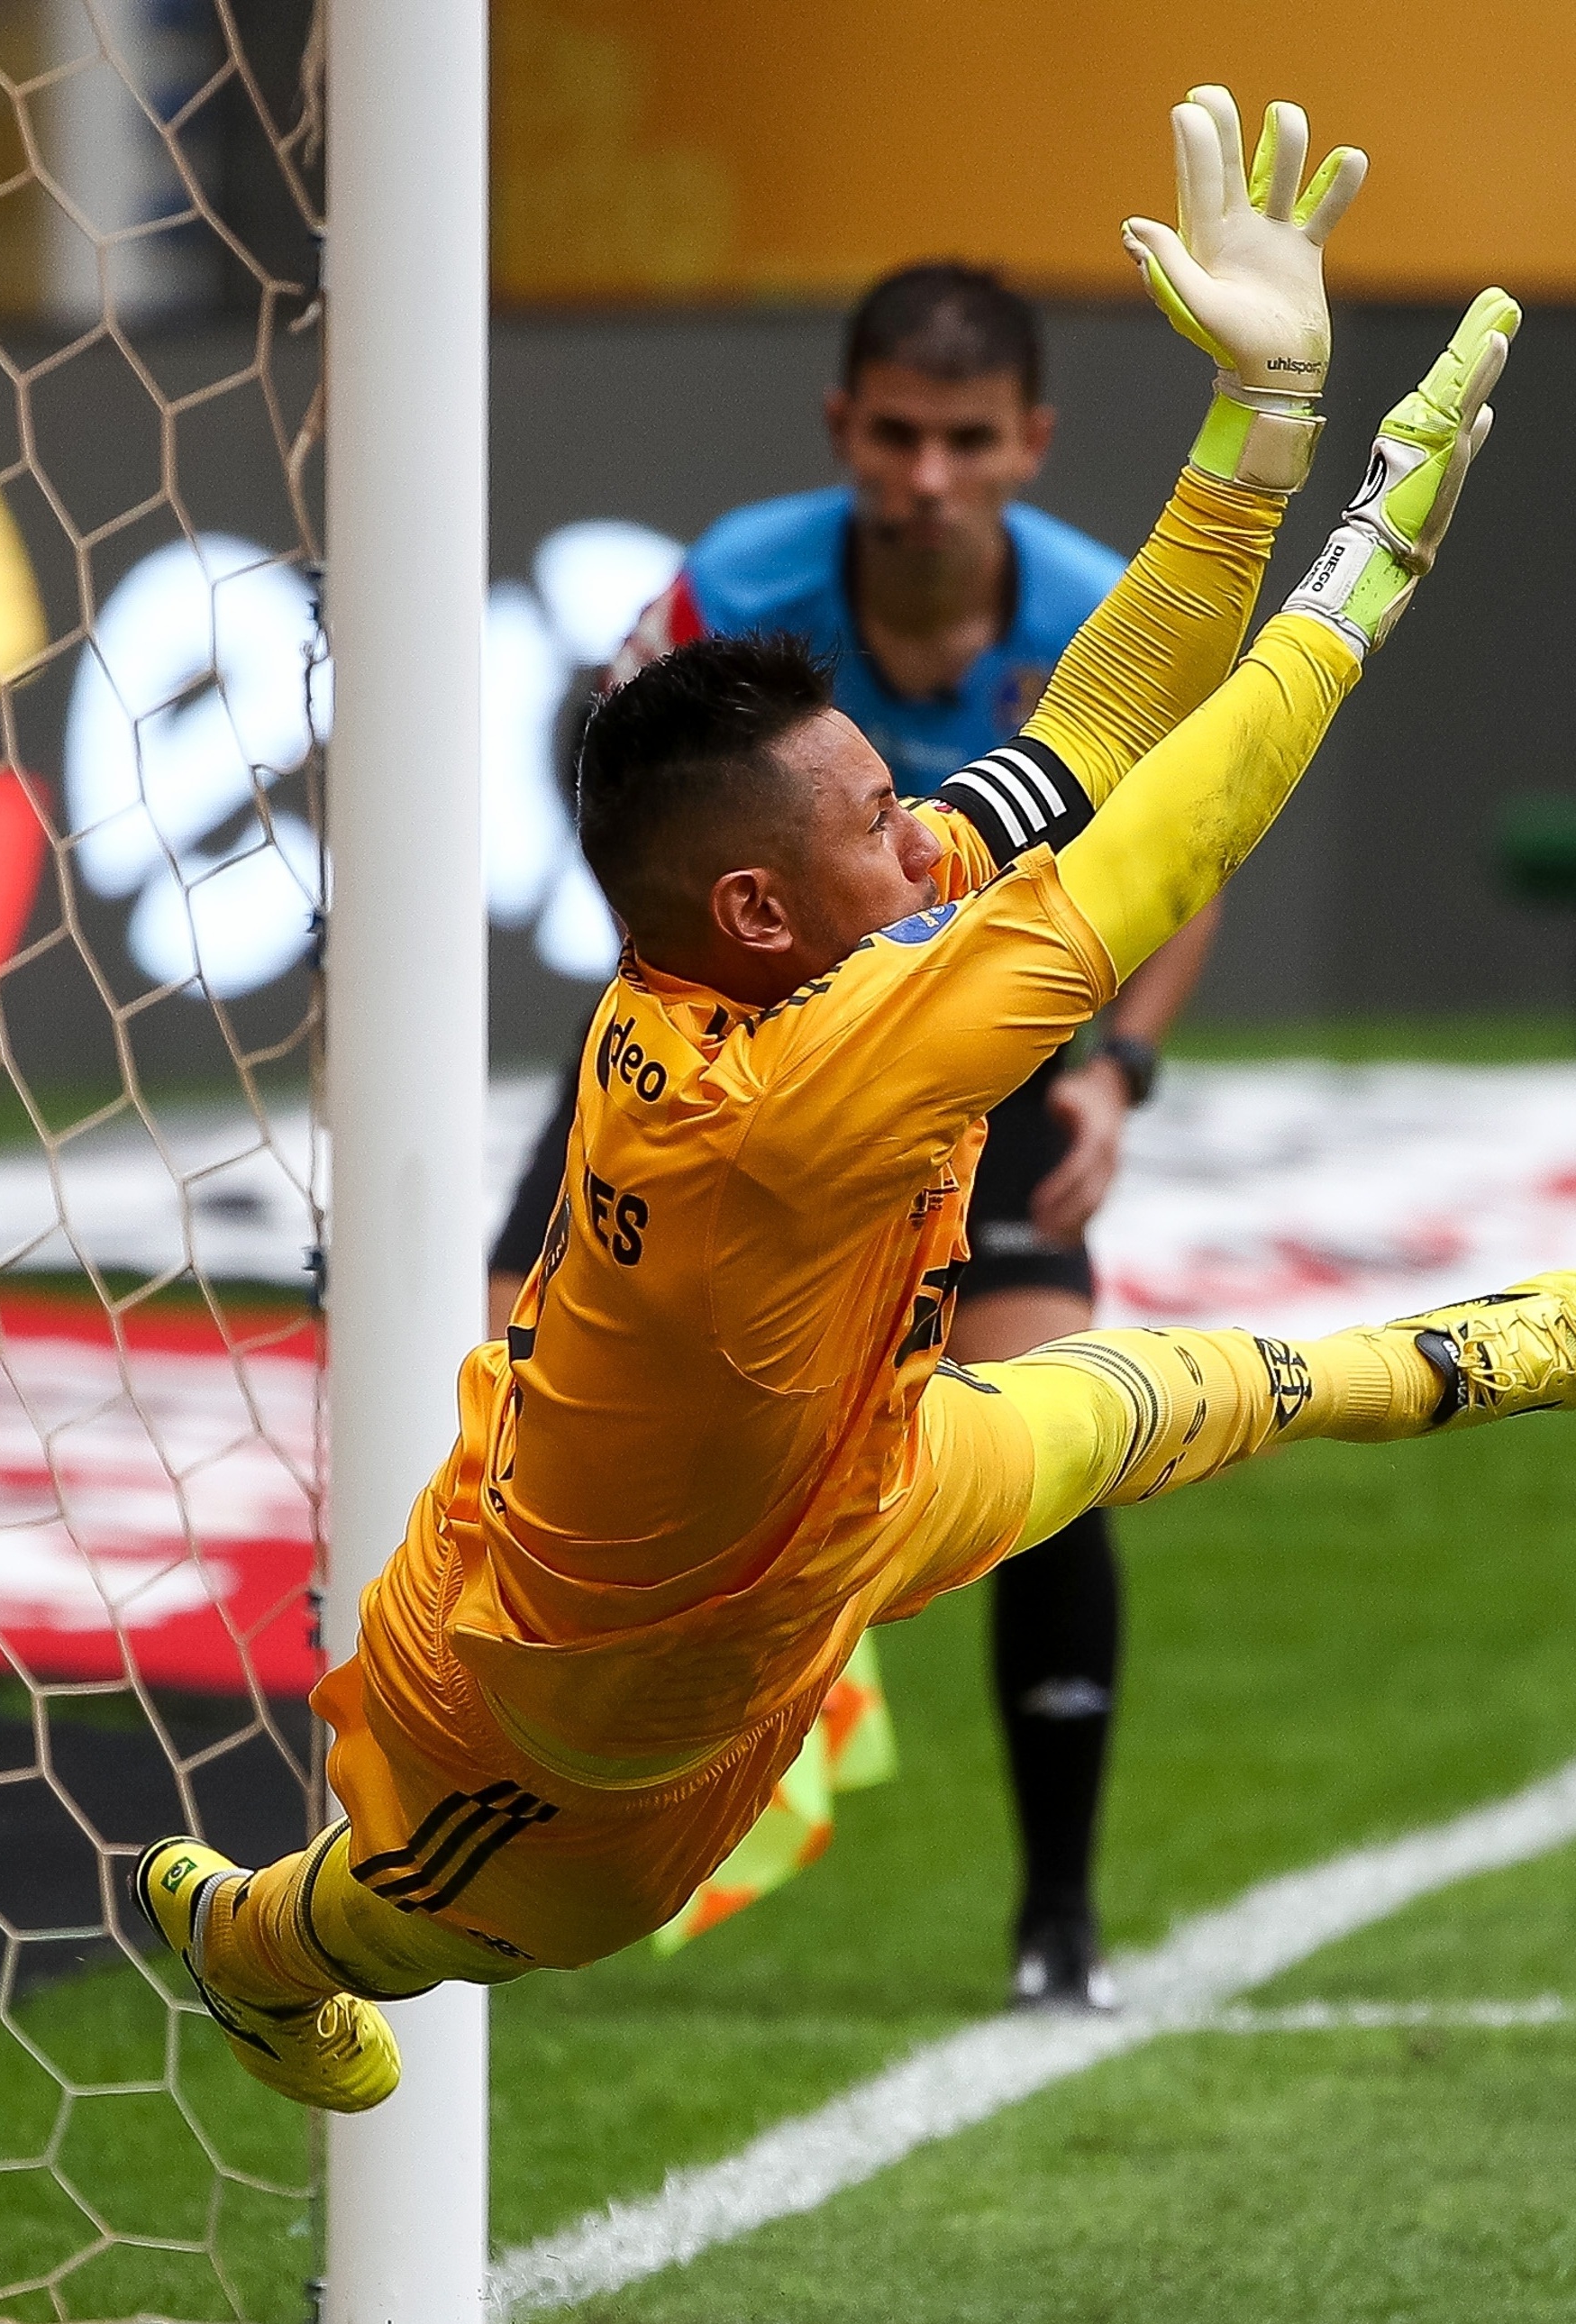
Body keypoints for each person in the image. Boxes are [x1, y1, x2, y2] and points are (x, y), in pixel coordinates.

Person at [136, 89, 1576, 2114]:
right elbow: (1144, 850)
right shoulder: (793, 1084)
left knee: (1181, 1397)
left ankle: (1464, 1361)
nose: (931, 825)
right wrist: (1363, 574)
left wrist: (1271, 415)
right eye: (887, 811)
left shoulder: (806, 936)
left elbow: (1093, 732)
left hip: (843, 1478)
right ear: (765, 897)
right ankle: (258, 1943)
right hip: (573, 1712)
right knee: (438, 1925)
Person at [487, 262, 1222, 2009]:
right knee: (505, 1387)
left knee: (1054, 1452)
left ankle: (1057, 1913)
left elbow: (1178, 855)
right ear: (842, 429)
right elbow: (612, 779)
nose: (927, 475)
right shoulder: (730, 582)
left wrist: (1114, 1064)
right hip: (725, 1061)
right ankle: (516, 1823)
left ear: (1030, 443)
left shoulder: (1095, 615)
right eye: (895, 432)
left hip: (980, 1065)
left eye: (967, 439)